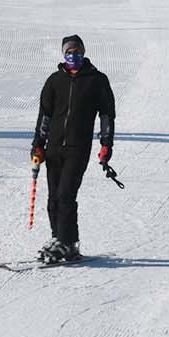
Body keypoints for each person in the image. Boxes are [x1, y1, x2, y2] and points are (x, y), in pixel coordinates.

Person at [32, 35, 116, 264]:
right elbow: (45, 117)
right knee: (53, 198)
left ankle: (69, 243)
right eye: (69, 51)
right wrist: (38, 146)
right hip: (54, 148)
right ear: (63, 54)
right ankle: (58, 238)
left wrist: (106, 145)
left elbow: (107, 115)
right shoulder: (54, 81)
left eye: (77, 51)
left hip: (78, 148)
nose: (73, 55)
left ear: (84, 52)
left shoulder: (97, 81)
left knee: (66, 195)